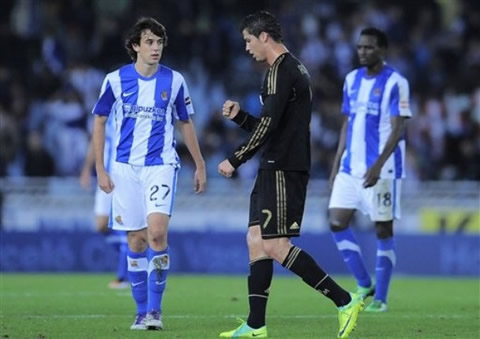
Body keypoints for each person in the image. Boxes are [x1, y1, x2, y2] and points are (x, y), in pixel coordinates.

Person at [218, 11, 363, 339]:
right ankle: (256, 325)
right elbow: (274, 126)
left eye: (248, 40)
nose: (246, 48)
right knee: (255, 240)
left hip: (283, 167)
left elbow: (269, 127)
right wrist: (241, 117)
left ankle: (344, 301)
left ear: (263, 37)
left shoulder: (280, 72)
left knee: (275, 244)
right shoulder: (293, 69)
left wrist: (236, 158)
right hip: (275, 163)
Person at [92, 17, 206, 331]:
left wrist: (199, 164)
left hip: (161, 165)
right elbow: (100, 122)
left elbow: (185, 123)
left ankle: (155, 311)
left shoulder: (175, 81)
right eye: (150, 42)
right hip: (124, 168)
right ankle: (141, 311)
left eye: (159, 42)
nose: (156, 48)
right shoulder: (115, 81)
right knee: (137, 240)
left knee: (156, 233)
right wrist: (100, 169)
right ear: (135, 46)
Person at [328, 27, 412, 312]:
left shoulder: (396, 83)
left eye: (369, 47)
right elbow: (347, 123)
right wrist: (337, 162)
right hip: (350, 168)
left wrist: (377, 166)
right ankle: (364, 283)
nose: (362, 51)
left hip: (383, 170)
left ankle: (381, 299)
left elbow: (398, 128)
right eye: (360, 47)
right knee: (336, 221)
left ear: (382, 50)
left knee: (382, 229)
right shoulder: (351, 80)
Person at [79, 115, 128, 290]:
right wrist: (87, 168)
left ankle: (123, 276)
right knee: (101, 225)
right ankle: (134, 258)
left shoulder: (130, 106)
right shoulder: (105, 112)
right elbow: (95, 140)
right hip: (105, 175)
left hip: (123, 173)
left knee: (124, 224)